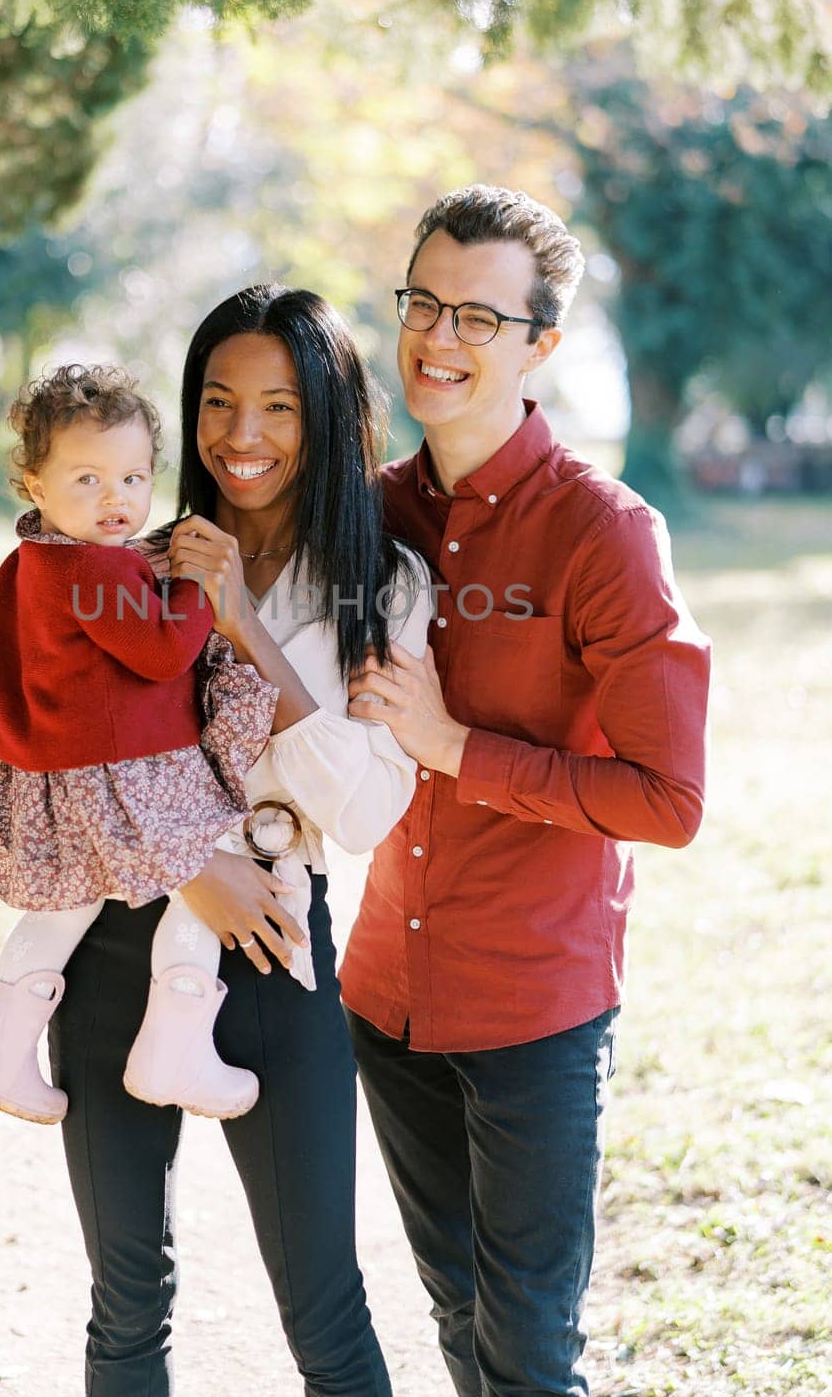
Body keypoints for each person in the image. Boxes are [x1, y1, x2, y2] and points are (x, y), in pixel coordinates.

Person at [342, 185, 712, 1397]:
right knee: (456, 1311)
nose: (438, 339)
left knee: (531, 1345)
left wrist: (455, 747)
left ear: (538, 344)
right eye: (423, 303)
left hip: (535, 1008)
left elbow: (665, 798)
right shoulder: (369, 512)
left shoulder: (604, 534)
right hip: (383, 997)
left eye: (478, 318)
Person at [47, 285, 435, 1397]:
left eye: (277, 407)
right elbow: (45, 761)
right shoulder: (118, 557)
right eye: (218, 402)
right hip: (115, 939)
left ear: (326, 417)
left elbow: (362, 814)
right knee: (127, 1299)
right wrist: (183, 863)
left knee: (322, 1301)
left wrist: (240, 626)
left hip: (275, 943)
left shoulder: (385, 590)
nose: (243, 436)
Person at [0, 363, 281, 1126]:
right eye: (87, 479)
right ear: (34, 485)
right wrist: (198, 588)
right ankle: (175, 1051)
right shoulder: (92, 568)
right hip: (133, 772)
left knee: (69, 903)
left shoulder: (37, 560)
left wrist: (150, 568)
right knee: (204, 877)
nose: (115, 499)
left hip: (74, 770)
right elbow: (163, 653)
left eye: (132, 478)